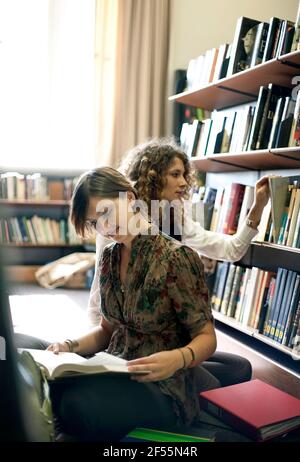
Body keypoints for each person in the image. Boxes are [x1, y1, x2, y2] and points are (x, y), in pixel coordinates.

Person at [45, 167, 217, 441]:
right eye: (94, 222)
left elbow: (207, 338)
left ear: (128, 198)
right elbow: (105, 331)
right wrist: (68, 347)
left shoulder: (177, 258)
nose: (103, 226)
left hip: (163, 387)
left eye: (105, 212)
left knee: (75, 407)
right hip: (115, 369)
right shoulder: (109, 258)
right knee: (44, 380)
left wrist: (177, 359)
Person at [87, 138, 270, 386]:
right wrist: (103, 344)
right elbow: (101, 295)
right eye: (175, 174)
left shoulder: (173, 214)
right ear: (152, 175)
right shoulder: (117, 222)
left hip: (167, 336)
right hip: (123, 334)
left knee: (239, 367)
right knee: (219, 378)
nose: (183, 182)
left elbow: (231, 250)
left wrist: (257, 209)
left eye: (184, 174)